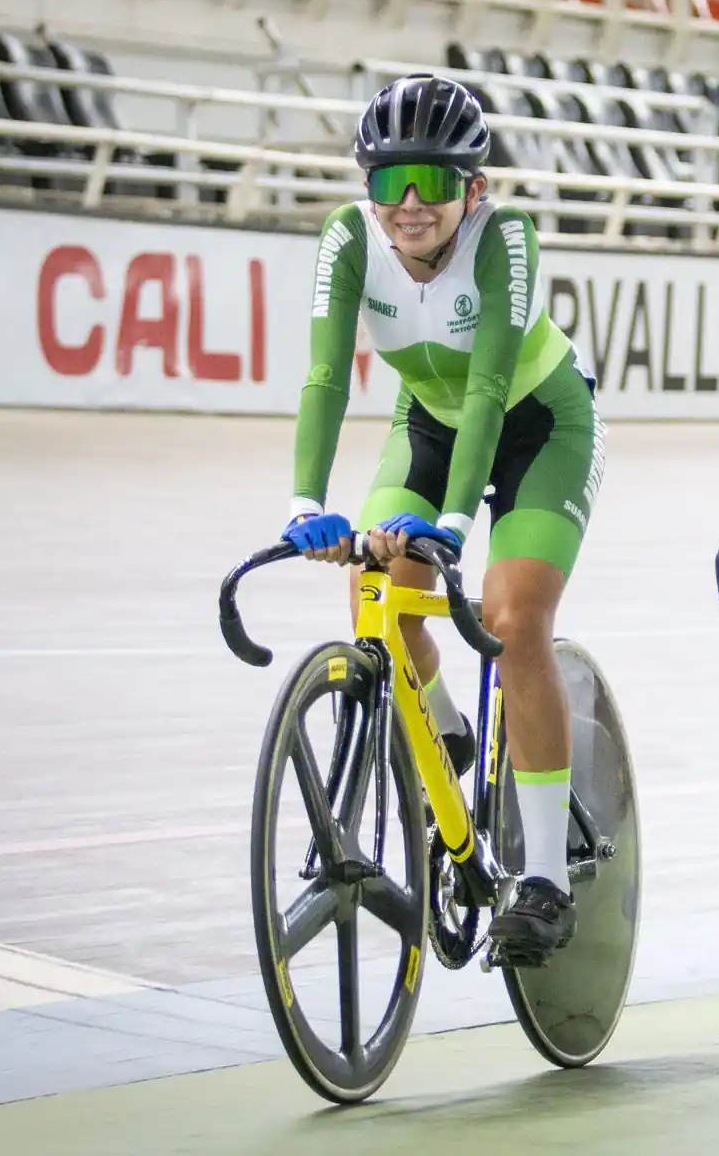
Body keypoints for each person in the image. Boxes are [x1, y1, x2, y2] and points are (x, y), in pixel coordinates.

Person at [281, 74, 605, 961]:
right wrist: (306, 504)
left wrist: (455, 523)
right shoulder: (349, 238)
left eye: (433, 181)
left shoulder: (507, 240)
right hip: (428, 423)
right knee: (375, 595)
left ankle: (541, 878)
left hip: (540, 428)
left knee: (512, 621)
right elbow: (323, 378)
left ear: (476, 186)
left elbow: (495, 390)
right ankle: (448, 728)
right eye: (391, 182)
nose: (411, 204)